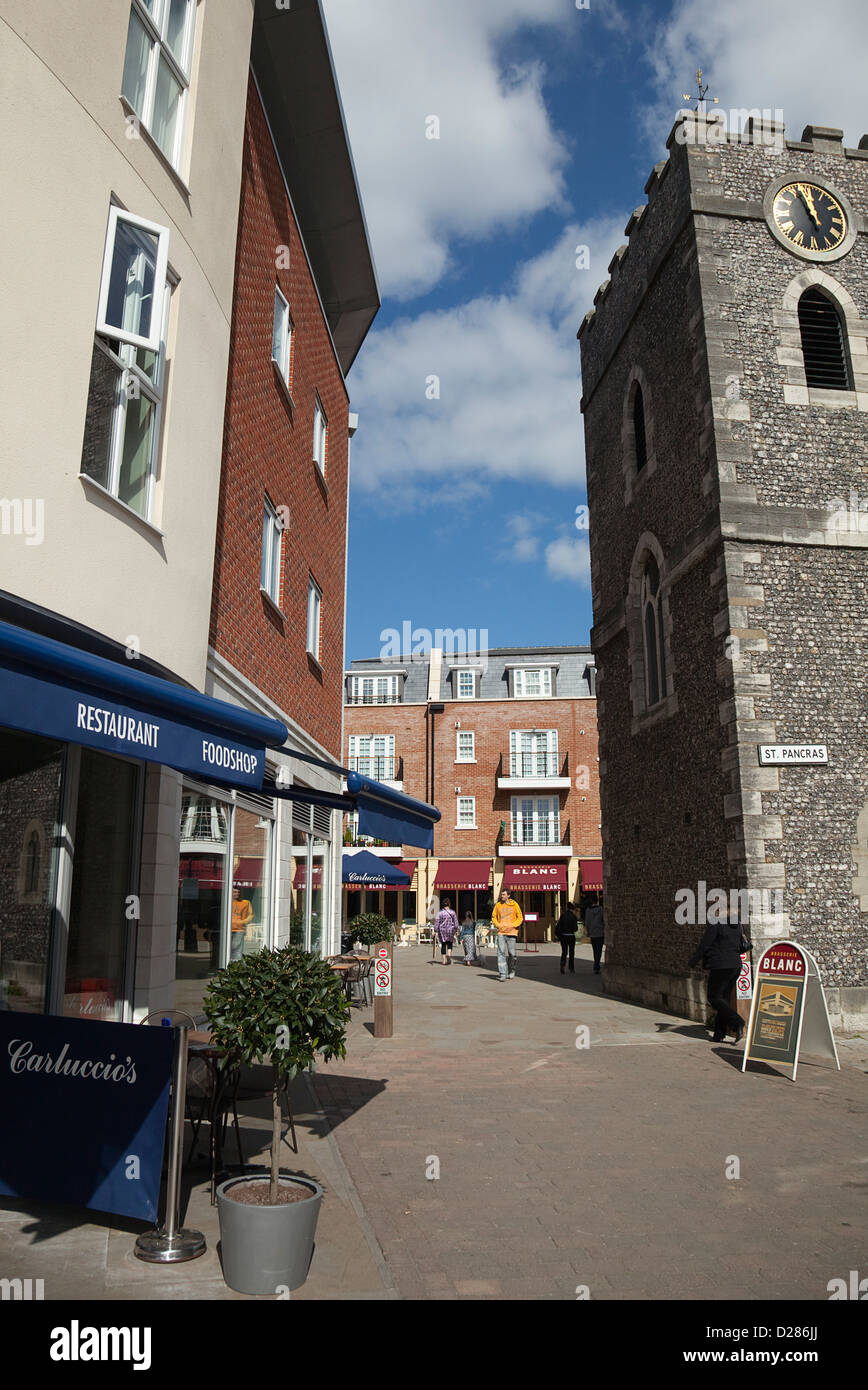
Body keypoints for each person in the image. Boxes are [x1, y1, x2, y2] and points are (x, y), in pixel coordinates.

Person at [688, 912, 751, 1043]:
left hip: (720, 966)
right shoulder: (736, 924)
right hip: (735, 965)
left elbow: (704, 945)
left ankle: (737, 1021)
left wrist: (693, 961)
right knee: (724, 1000)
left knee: (714, 997)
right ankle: (719, 1034)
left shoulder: (716, 924)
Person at [492, 888, 523, 980]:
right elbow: (494, 917)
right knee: (501, 953)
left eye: (504, 894)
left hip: (512, 932)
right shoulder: (498, 905)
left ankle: (512, 970)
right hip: (501, 932)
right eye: (501, 894)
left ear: (508, 895)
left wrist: (513, 925)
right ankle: (502, 973)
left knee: (512, 954)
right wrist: (498, 925)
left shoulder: (515, 905)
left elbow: (520, 917)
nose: (502, 896)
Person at [230, 885, 254, 960]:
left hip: (239, 930)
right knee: (226, 949)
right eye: (234, 892)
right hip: (227, 929)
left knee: (236, 950)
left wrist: (242, 922)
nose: (237, 894)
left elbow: (250, 915)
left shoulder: (245, 903)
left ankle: (236, 968)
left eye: (238, 892)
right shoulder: (227, 902)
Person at [555, 902, 579, 974]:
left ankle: (562, 964)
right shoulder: (574, 916)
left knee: (564, 952)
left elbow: (559, 926)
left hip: (563, 936)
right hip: (571, 936)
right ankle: (571, 968)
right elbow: (575, 929)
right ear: (572, 909)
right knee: (571, 952)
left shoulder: (563, 915)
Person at [434, 896, 459, 964]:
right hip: (450, 930)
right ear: (449, 904)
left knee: (443, 944)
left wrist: (435, 930)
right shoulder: (453, 912)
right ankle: (449, 954)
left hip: (442, 930)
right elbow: (456, 922)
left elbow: (436, 922)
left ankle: (444, 960)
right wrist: (456, 929)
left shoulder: (440, 913)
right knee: (450, 943)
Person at [584, 895, 604, 974]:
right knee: (599, 950)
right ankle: (596, 965)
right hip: (600, 932)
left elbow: (587, 922)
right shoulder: (601, 909)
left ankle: (596, 964)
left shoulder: (588, 910)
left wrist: (588, 931)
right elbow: (604, 920)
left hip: (592, 933)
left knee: (595, 950)